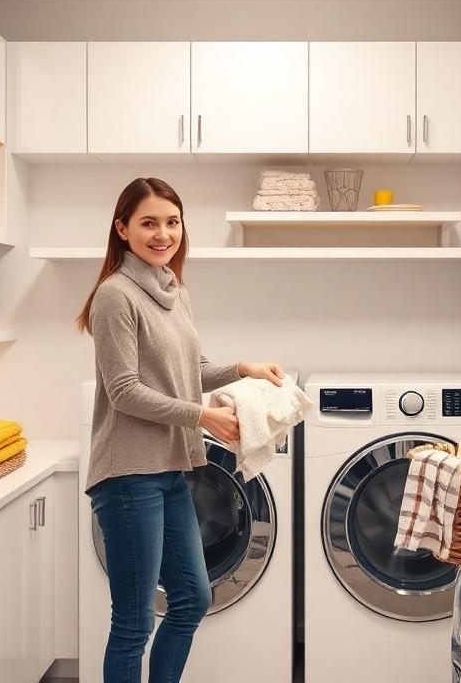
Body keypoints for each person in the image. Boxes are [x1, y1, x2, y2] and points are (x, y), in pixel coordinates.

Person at [77, 177, 285, 683]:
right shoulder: (115, 296)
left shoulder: (173, 289)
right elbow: (124, 390)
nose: (163, 233)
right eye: (149, 223)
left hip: (169, 470)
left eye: (172, 222)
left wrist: (242, 368)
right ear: (122, 229)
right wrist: (204, 416)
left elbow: (193, 369)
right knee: (132, 622)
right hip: (128, 478)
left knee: (193, 597)